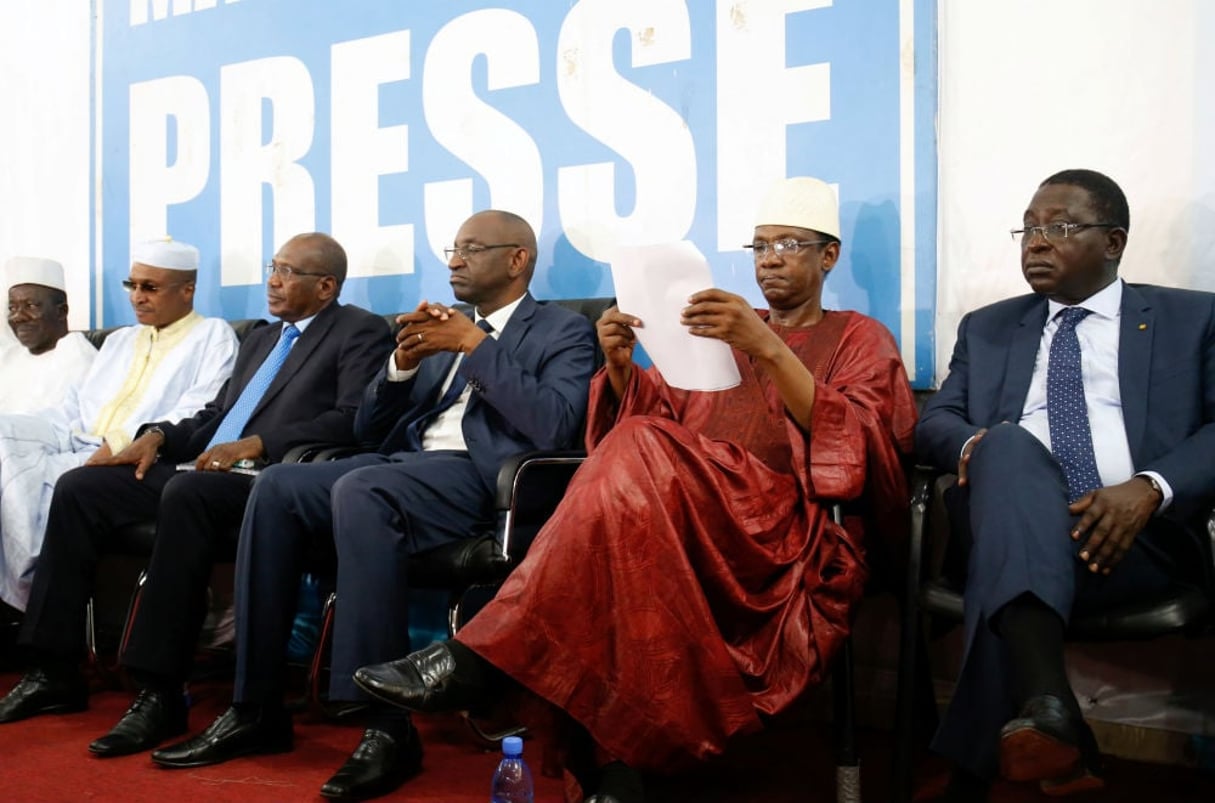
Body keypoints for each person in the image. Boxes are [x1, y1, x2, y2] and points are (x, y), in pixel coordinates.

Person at [354, 177, 919, 801]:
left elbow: (861, 443)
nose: (771, 259)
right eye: (759, 247)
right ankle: (619, 774)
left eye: (789, 244)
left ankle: (485, 659)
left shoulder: (857, 337)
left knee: (636, 459)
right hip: (692, 516)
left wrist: (767, 348)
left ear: (827, 256)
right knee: (619, 544)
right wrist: (621, 368)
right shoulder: (726, 329)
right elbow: (667, 413)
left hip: (780, 528)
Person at [148, 210, 598, 801]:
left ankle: (384, 727)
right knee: (278, 485)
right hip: (403, 465)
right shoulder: (442, 329)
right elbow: (370, 430)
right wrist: (400, 366)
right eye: (453, 249)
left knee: (360, 490)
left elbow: (555, 426)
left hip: (482, 478)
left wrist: (477, 348)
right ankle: (254, 706)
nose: (455, 261)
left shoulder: (562, 331)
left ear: (517, 260)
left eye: (472, 249)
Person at [0, 232, 393, 739]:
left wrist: (256, 444)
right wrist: (157, 437)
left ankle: (158, 691)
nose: (273, 280)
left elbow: (352, 420)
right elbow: (215, 416)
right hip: (210, 466)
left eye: (289, 272)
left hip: (276, 478)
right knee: (82, 487)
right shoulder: (263, 337)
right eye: (273, 267)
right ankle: (53, 668)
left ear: (326, 286)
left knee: (185, 494)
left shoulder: (357, 331)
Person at [912, 169, 1215, 801]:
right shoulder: (989, 327)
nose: (1036, 242)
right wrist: (981, 448)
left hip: (1134, 540)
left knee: (1006, 565)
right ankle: (1053, 709)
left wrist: (1151, 487)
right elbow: (936, 419)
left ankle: (1007, 751)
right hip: (1008, 515)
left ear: (1114, 242)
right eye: (1029, 228)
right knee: (1010, 444)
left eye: (1061, 227)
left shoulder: (1193, 318)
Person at [0, 238, 237, 611]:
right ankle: (19, 583)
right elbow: (73, 409)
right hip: (78, 440)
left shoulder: (212, 336)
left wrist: (122, 440)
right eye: (133, 285)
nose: (137, 297)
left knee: (45, 479)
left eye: (150, 287)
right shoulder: (120, 341)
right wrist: (21, 431)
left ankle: (20, 594)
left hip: (136, 456)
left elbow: (198, 411)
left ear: (187, 290)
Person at [0, 257, 97, 414]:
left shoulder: (77, 357)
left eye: (30, 306)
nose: (18, 316)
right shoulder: (9, 357)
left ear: (61, 311)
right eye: (12, 308)